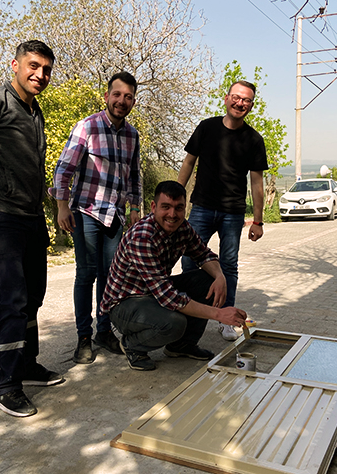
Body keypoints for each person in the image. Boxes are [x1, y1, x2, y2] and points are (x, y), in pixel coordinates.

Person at [0, 40, 64, 418]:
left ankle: (25, 365)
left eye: (46, 69)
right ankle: (4, 385)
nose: (40, 74)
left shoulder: (34, 111)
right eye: (33, 66)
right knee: (9, 299)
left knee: (32, 295)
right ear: (15, 65)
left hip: (30, 216)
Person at [100, 181, 248, 371]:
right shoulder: (142, 237)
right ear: (153, 207)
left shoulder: (182, 228)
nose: (172, 214)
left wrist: (220, 277)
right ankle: (132, 345)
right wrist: (219, 314)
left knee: (207, 280)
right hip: (126, 303)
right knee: (174, 323)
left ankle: (181, 346)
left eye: (178, 208)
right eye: (166, 207)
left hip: (153, 292)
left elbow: (204, 255)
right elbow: (168, 297)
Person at [49, 71, 141, 364]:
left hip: (115, 215)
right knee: (86, 274)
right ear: (106, 96)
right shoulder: (87, 126)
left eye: (128, 97)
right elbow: (63, 169)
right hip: (86, 212)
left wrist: (135, 208)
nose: (121, 101)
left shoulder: (132, 135)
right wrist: (62, 206)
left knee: (110, 276)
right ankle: (83, 337)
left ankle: (104, 330)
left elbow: (134, 174)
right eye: (117, 95)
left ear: (133, 101)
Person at [178, 80, 268, 342]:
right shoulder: (206, 127)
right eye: (236, 97)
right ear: (226, 98)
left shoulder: (254, 140)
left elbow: (257, 182)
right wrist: (176, 198)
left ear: (251, 105)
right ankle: (188, 314)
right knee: (189, 261)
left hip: (233, 213)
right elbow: (188, 162)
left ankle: (227, 319)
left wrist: (258, 221)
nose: (240, 103)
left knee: (228, 265)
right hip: (201, 208)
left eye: (246, 100)